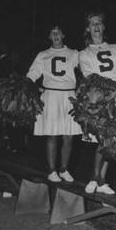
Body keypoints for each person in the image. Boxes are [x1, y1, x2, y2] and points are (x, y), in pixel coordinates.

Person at [79, 11, 116, 194]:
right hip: (98, 97)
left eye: (99, 23)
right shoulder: (85, 53)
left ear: (103, 26)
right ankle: (95, 177)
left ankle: (101, 180)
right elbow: (88, 76)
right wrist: (103, 92)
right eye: (92, 23)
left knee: (112, 139)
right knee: (103, 138)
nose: (96, 26)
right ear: (88, 28)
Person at [26, 24, 83, 182]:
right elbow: (33, 74)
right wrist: (24, 85)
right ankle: (52, 171)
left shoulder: (74, 53)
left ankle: (64, 169)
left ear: (63, 35)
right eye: (53, 33)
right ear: (49, 37)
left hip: (69, 96)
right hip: (50, 95)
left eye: (59, 32)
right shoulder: (43, 54)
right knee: (52, 135)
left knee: (69, 136)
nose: (56, 35)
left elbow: (86, 70)